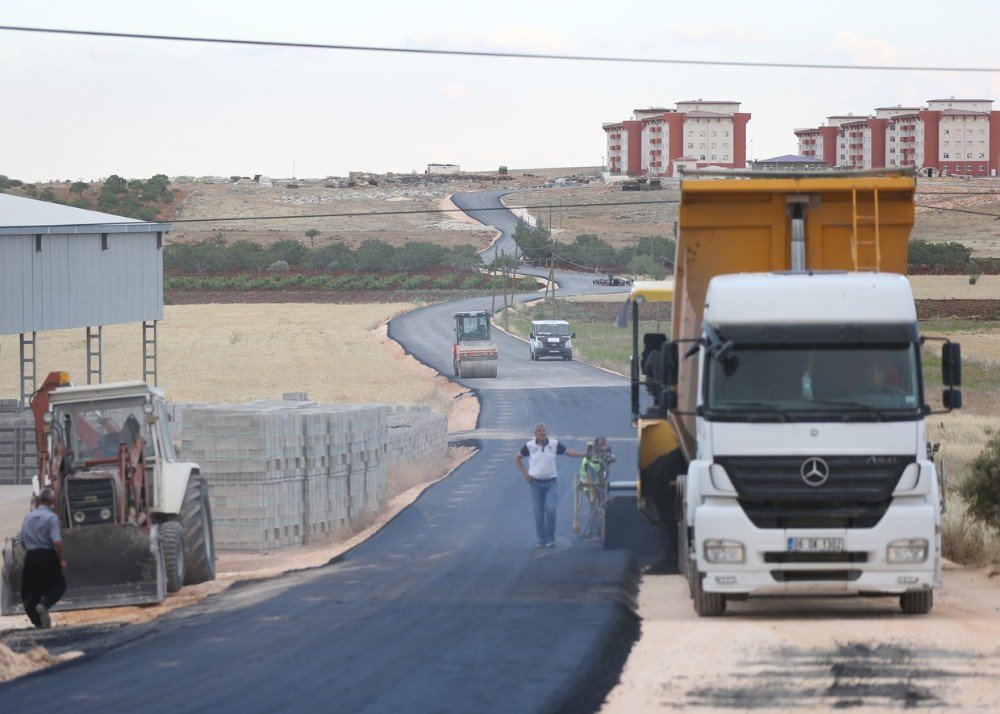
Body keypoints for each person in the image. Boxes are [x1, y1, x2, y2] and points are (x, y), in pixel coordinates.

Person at [514, 423, 587, 548]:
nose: (542, 432)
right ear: (535, 433)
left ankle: (550, 539)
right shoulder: (530, 446)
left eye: (544, 430)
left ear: (546, 432)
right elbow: (517, 458)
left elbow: (568, 452)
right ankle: (541, 539)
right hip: (535, 483)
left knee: (551, 510)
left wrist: (585, 454)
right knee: (538, 513)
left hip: (551, 483)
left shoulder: (553, 444)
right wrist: (525, 475)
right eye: (539, 430)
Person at [20, 487, 67, 629]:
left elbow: (22, 542)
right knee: (59, 586)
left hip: (31, 556)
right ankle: (44, 604)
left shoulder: (27, 517)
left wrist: (31, 554)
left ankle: (38, 623)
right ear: (53, 501)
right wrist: (61, 560)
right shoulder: (52, 518)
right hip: (47, 555)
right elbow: (57, 543)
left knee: (30, 593)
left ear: (39, 500)